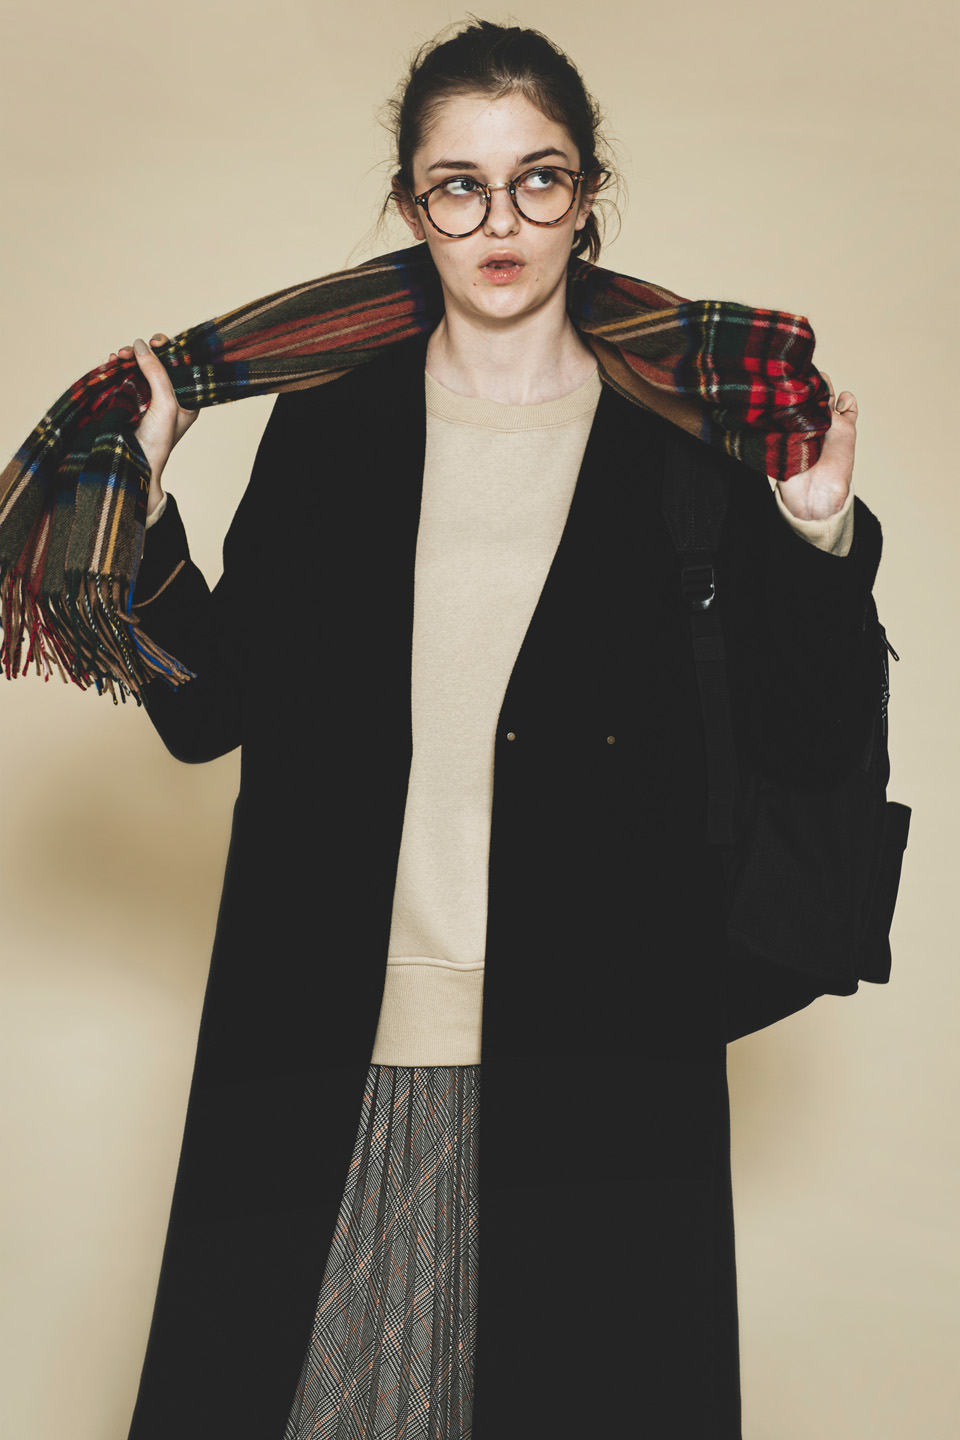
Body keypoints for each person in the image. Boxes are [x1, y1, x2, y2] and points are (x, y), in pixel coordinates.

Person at [106, 19, 880, 1440]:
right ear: (411, 208)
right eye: (458, 186)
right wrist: (146, 514)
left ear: (587, 196)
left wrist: (819, 533)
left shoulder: (687, 445)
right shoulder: (330, 430)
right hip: (331, 1038)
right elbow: (208, 715)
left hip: (602, 1049)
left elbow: (815, 732)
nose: (499, 220)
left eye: (538, 178)